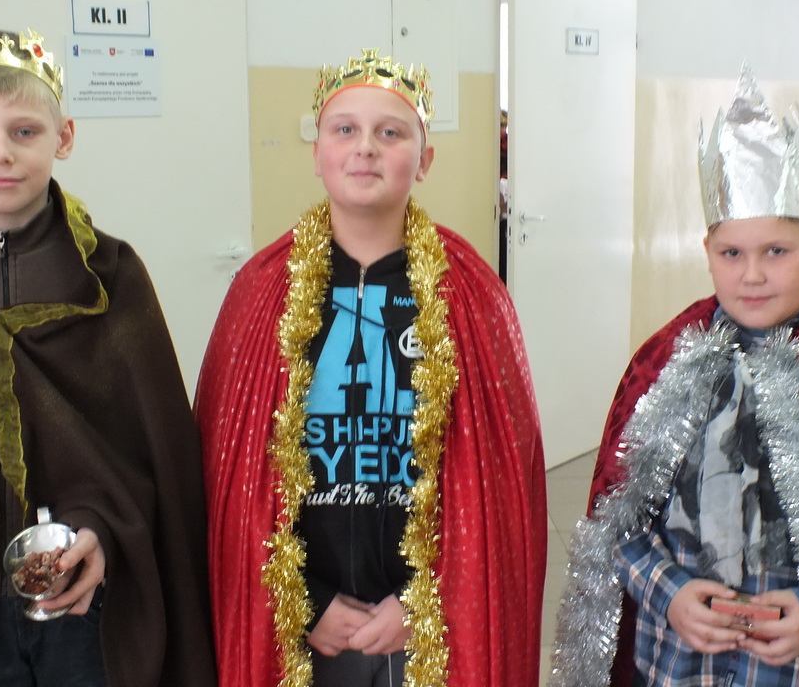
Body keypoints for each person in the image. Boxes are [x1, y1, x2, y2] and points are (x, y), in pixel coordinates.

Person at [195, 49, 546, 687]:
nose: (365, 148)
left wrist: (426, 600)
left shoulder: (471, 294)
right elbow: (231, 481)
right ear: (317, 153)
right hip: (302, 623)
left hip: (428, 623)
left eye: (390, 132)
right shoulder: (261, 292)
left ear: (425, 159)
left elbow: (498, 485)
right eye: (345, 129)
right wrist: (304, 600)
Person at [0, 21, 215, 687]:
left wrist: (103, 529)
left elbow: (154, 455)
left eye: (25, 131)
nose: (0, 153)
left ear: (63, 137)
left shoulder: (110, 275)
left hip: (82, 597)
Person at [550, 65, 799, 687]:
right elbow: (617, 522)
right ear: (707, 253)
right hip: (677, 661)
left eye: (777, 251)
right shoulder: (665, 360)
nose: (753, 274)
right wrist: (667, 592)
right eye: (732, 253)